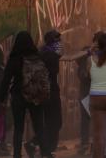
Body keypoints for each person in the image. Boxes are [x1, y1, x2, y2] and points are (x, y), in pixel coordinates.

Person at [0, 31, 47, 158]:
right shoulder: (37, 57)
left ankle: (16, 154)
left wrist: (1, 97)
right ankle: (46, 153)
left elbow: (6, 79)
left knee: (19, 129)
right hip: (35, 95)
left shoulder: (14, 59)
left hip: (18, 96)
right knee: (39, 127)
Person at [37, 30, 63, 158]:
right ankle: (42, 147)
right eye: (58, 41)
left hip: (44, 91)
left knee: (50, 122)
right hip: (50, 92)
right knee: (56, 122)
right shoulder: (50, 55)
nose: (60, 43)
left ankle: (45, 149)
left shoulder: (43, 52)